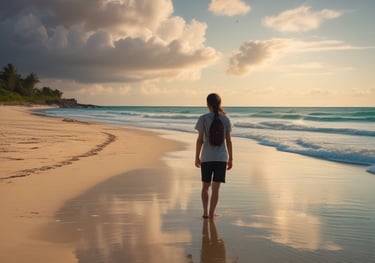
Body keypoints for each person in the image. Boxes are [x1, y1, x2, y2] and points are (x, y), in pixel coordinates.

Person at [195, 93, 233, 219]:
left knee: (205, 187)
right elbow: (228, 140)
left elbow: (200, 139)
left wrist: (197, 156)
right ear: (220, 104)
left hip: (206, 157)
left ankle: (205, 213)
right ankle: (212, 214)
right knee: (216, 189)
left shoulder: (203, 118)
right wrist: (231, 158)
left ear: (207, 104)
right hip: (221, 158)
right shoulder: (226, 119)